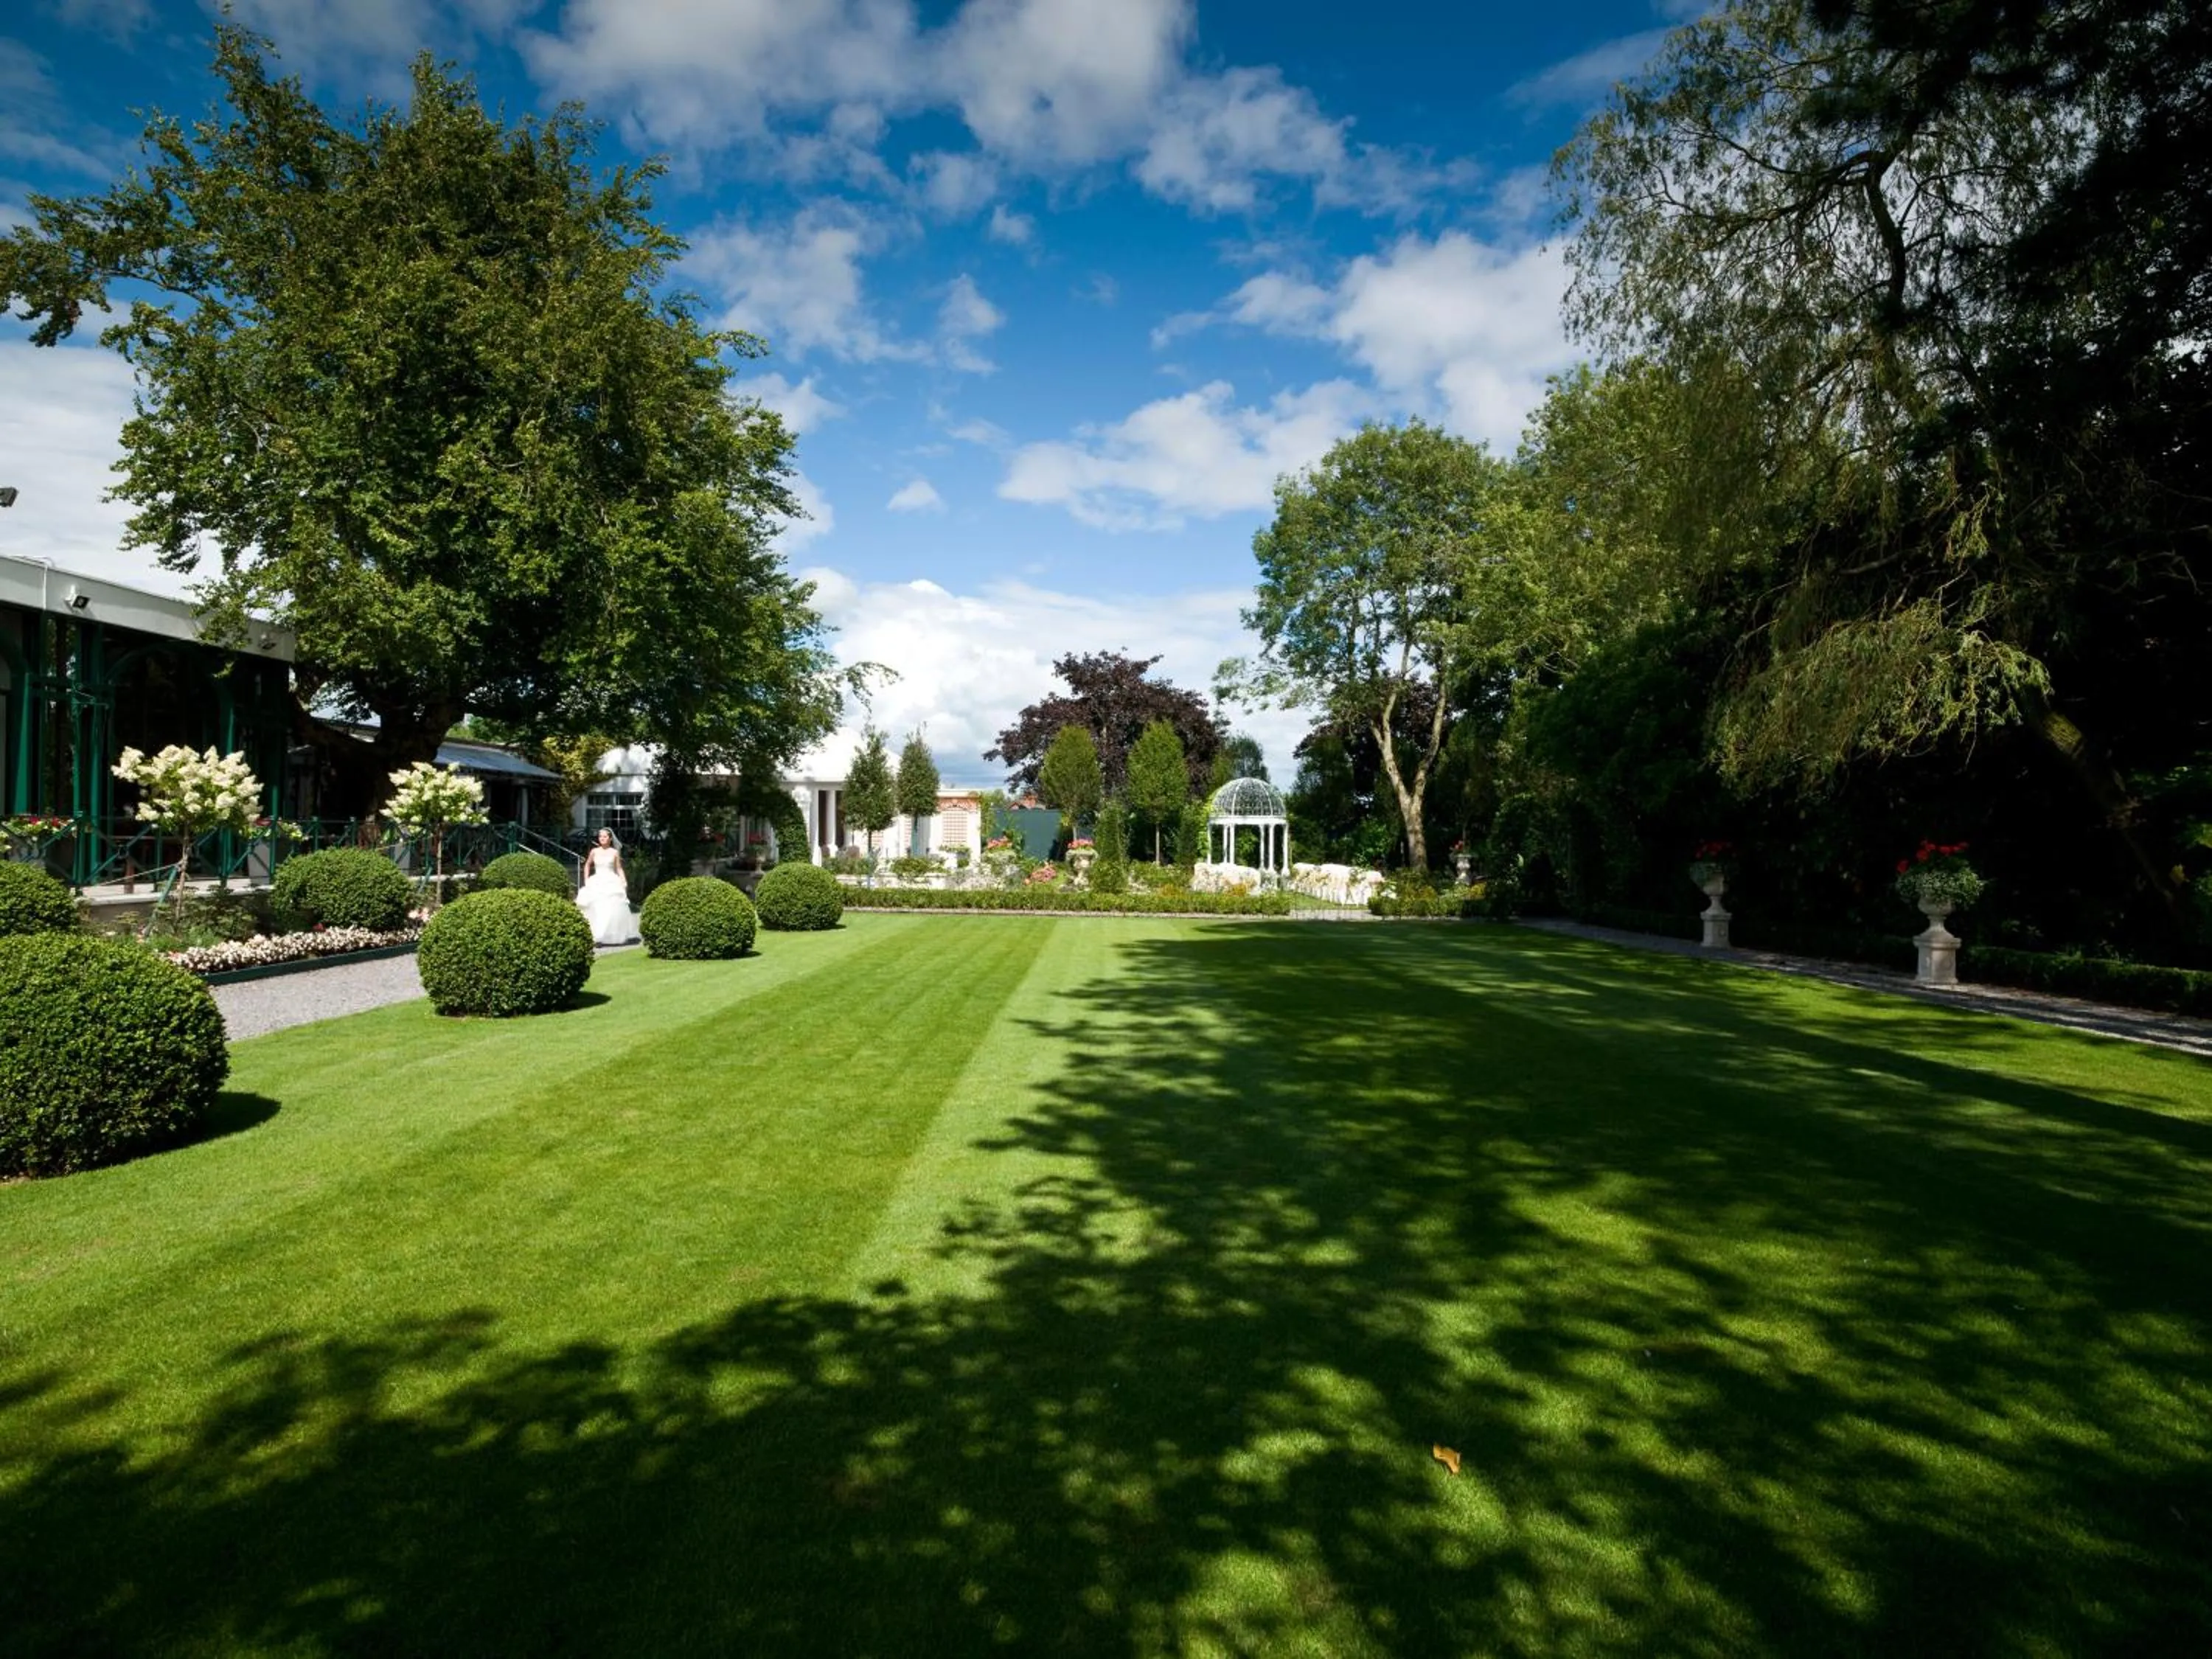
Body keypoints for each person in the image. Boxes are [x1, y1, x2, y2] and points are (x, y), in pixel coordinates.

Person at [576, 828, 639, 945]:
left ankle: (604, 935)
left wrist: (623, 880)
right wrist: (586, 879)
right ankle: (596, 935)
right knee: (596, 908)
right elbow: (588, 865)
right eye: (600, 837)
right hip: (597, 881)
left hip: (611, 881)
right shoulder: (594, 851)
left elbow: (619, 868)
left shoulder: (614, 852)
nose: (602, 839)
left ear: (610, 839)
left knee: (610, 909)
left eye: (605, 837)